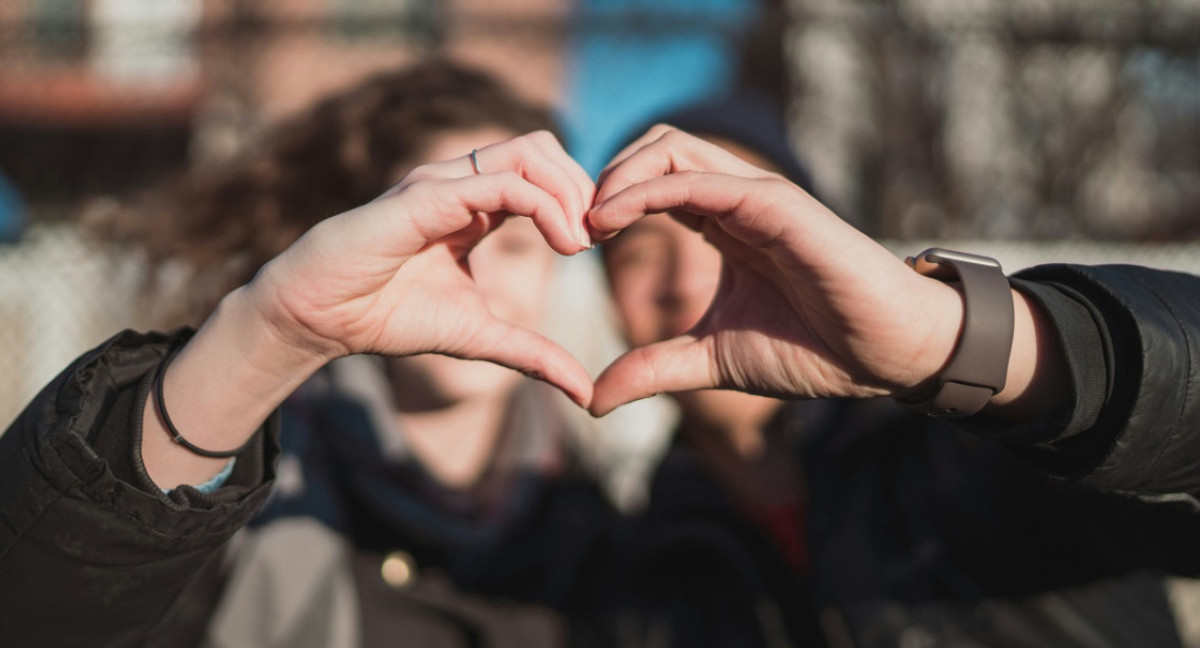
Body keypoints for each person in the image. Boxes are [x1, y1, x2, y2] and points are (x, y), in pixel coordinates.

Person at [0, 61, 618, 647]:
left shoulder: (598, 524)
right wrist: (271, 332)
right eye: (445, 238)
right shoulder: (239, 478)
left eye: (514, 247)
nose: (476, 277)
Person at [593, 101, 1200, 646]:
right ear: (611, 301)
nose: (687, 283)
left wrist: (952, 340)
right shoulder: (638, 573)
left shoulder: (987, 445)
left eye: (727, 233)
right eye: (640, 252)